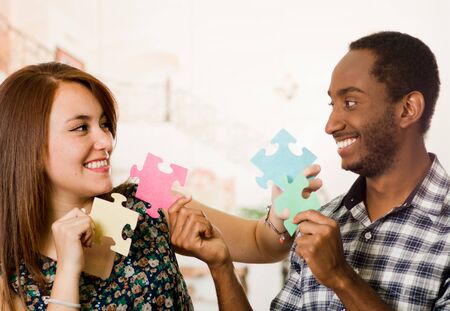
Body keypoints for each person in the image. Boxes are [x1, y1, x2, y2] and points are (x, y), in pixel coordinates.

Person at [0, 62, 319, 310]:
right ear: (29, 146)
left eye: (105, 124)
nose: (106, 140)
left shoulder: (147, 199)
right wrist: (69, 267)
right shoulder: (10, 267)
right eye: (81, 128)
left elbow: (263, 243)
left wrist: (281, 215)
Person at [169, 31, 450, 310]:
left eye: (350, 103)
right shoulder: (322, 223)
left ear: (407, 109)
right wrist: (222, 267)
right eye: (333, 104)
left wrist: (340, 276)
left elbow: (266, 242)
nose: (331, 125)